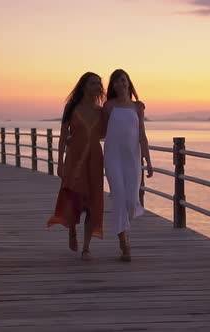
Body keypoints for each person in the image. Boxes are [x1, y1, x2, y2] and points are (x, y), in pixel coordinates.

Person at [47, 72, 106, 261]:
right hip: (74, 159)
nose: (97, 86)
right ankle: (72, 229)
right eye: (93, 83)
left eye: (99, 83)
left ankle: (86, 247)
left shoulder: (101, 111)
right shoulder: (71, 108)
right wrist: (59, 162)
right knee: (73, 197)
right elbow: (63, 137)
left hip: (95, 160)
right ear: (84, 86)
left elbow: (107, 133)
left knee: (92, 202)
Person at [103, 69, 153, 262]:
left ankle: (125, 229)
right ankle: (124, 242)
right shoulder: (108, 106)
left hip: (132, 158)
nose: (120, 84)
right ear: (113, 86)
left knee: (131, 201)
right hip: (113, 156)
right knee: (119, 197)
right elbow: (101, 131)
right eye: (116, 81)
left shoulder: (137, 107)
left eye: (123, 80)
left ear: (129, 83)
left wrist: (148, 162)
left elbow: (142, 136)